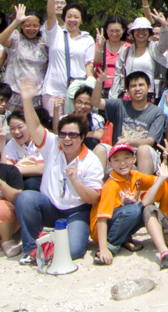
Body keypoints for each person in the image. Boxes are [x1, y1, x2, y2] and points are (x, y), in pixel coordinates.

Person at [12, 76, 104, 264]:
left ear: (82, 137)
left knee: (74, 250)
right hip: (50, 207)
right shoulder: (53, 145)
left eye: (73, 135)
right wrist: (27, 99)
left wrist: (75, 181)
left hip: (77, 211)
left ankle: (49, 245)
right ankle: (31, 249)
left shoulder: (91, 161)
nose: (67, 139)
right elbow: (34, 126)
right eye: (63, 134)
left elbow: (93, 198)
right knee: (26, 198)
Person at [89, 68, 168, 174]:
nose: (137, 89)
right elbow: (95, 102)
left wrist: (130, 142)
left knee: (143, 149)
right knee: (100, 148)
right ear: (127, 90)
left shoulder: (157, 112)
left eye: (141, 85)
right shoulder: (119, 105)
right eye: (133, 86)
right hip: (119, 154)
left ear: (149, 87)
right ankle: (97, 184)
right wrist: (99, 82)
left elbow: (150, 141)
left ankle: (142, 184)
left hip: (143, 156)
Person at [41, 0, 96, 119]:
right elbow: (50, 15)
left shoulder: (87, 39)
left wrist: (91, 83)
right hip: (53, 90)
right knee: (54, 125)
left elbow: (88, 65)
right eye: (69, 16)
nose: (72, 20)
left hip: (76, 93)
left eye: (76, 17)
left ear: (82, 20)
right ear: (64, 18)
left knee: (76, 126)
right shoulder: (55, 33)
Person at [91, 143, 156, 266]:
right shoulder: (111, 185)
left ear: (134, 159)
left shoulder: (136, 176)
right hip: (102, 228)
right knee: (133, 210)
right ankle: (110, 246)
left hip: (121, 219)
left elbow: (158, 182)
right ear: (110, 164)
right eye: (116, 160)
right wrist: (103, 248)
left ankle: (123, 239)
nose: (122, 163)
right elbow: (102, 218)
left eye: (126, 158)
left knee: (148, 209)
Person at [0, 4, 49, 114]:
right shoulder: (16, 38)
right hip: (14, 93)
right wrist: (16, 21)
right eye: (27, 25)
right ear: (22, 25)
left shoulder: (44, 43)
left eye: (35, 25)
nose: (31, 29)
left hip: (36, 95)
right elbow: (2, 40)